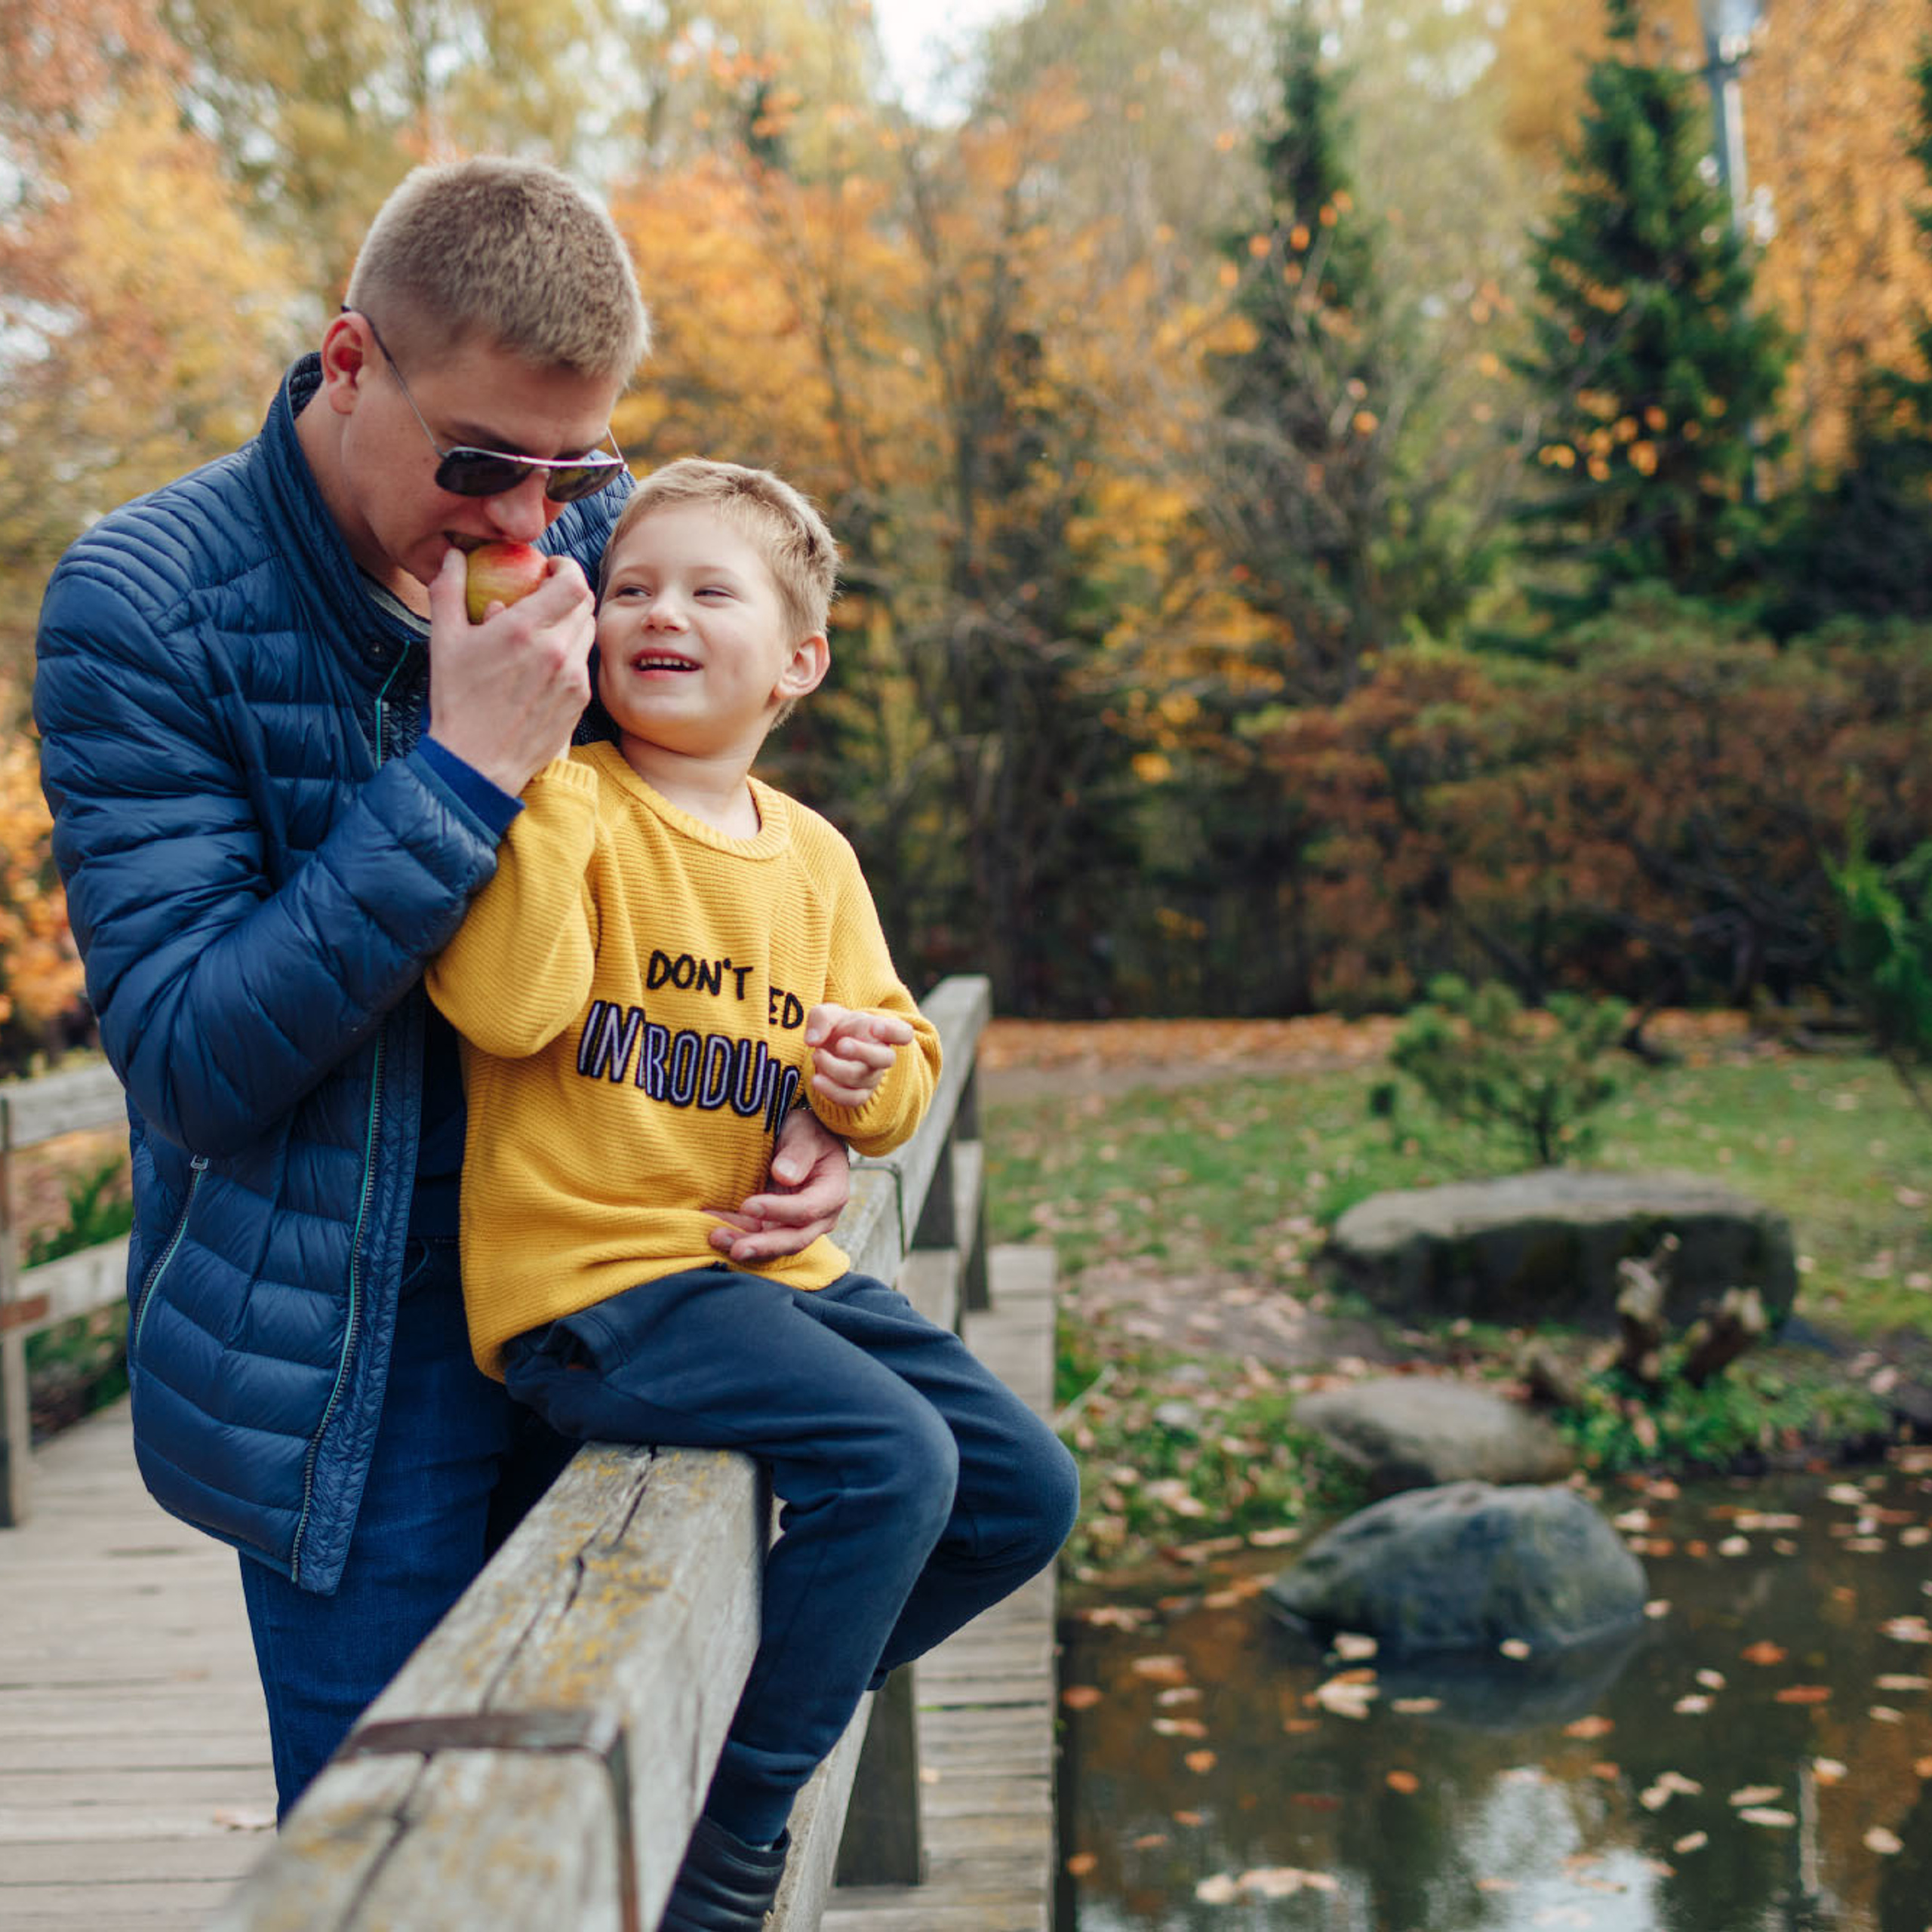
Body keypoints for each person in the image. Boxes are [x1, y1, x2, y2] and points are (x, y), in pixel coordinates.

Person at [32, 158, 855, 1819]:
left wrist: (805, 1098)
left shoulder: (603, 542)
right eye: (481, 461)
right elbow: (189, 1056)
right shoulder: (143, 604)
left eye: (579, 465)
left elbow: (730, 855)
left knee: (645, 1788)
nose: (528, 522)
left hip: (622, 1281)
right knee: (402, 1851)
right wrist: (463, 772)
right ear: (350, 363)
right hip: (352, 1361)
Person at [424, 458, 1079, 1932]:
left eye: (709, 589)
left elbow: (899, 1056)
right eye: (635, 589)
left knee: (1022, 1496)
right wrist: (519, 782)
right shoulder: (576, 804)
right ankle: (733, 1839)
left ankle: (728, 1725)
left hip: (761, 1275)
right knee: (893, 1460)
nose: (661, 612)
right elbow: (503, 1002)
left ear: (797, 659)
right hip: (599, 1285)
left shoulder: (815, 855)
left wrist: (859, 1080)